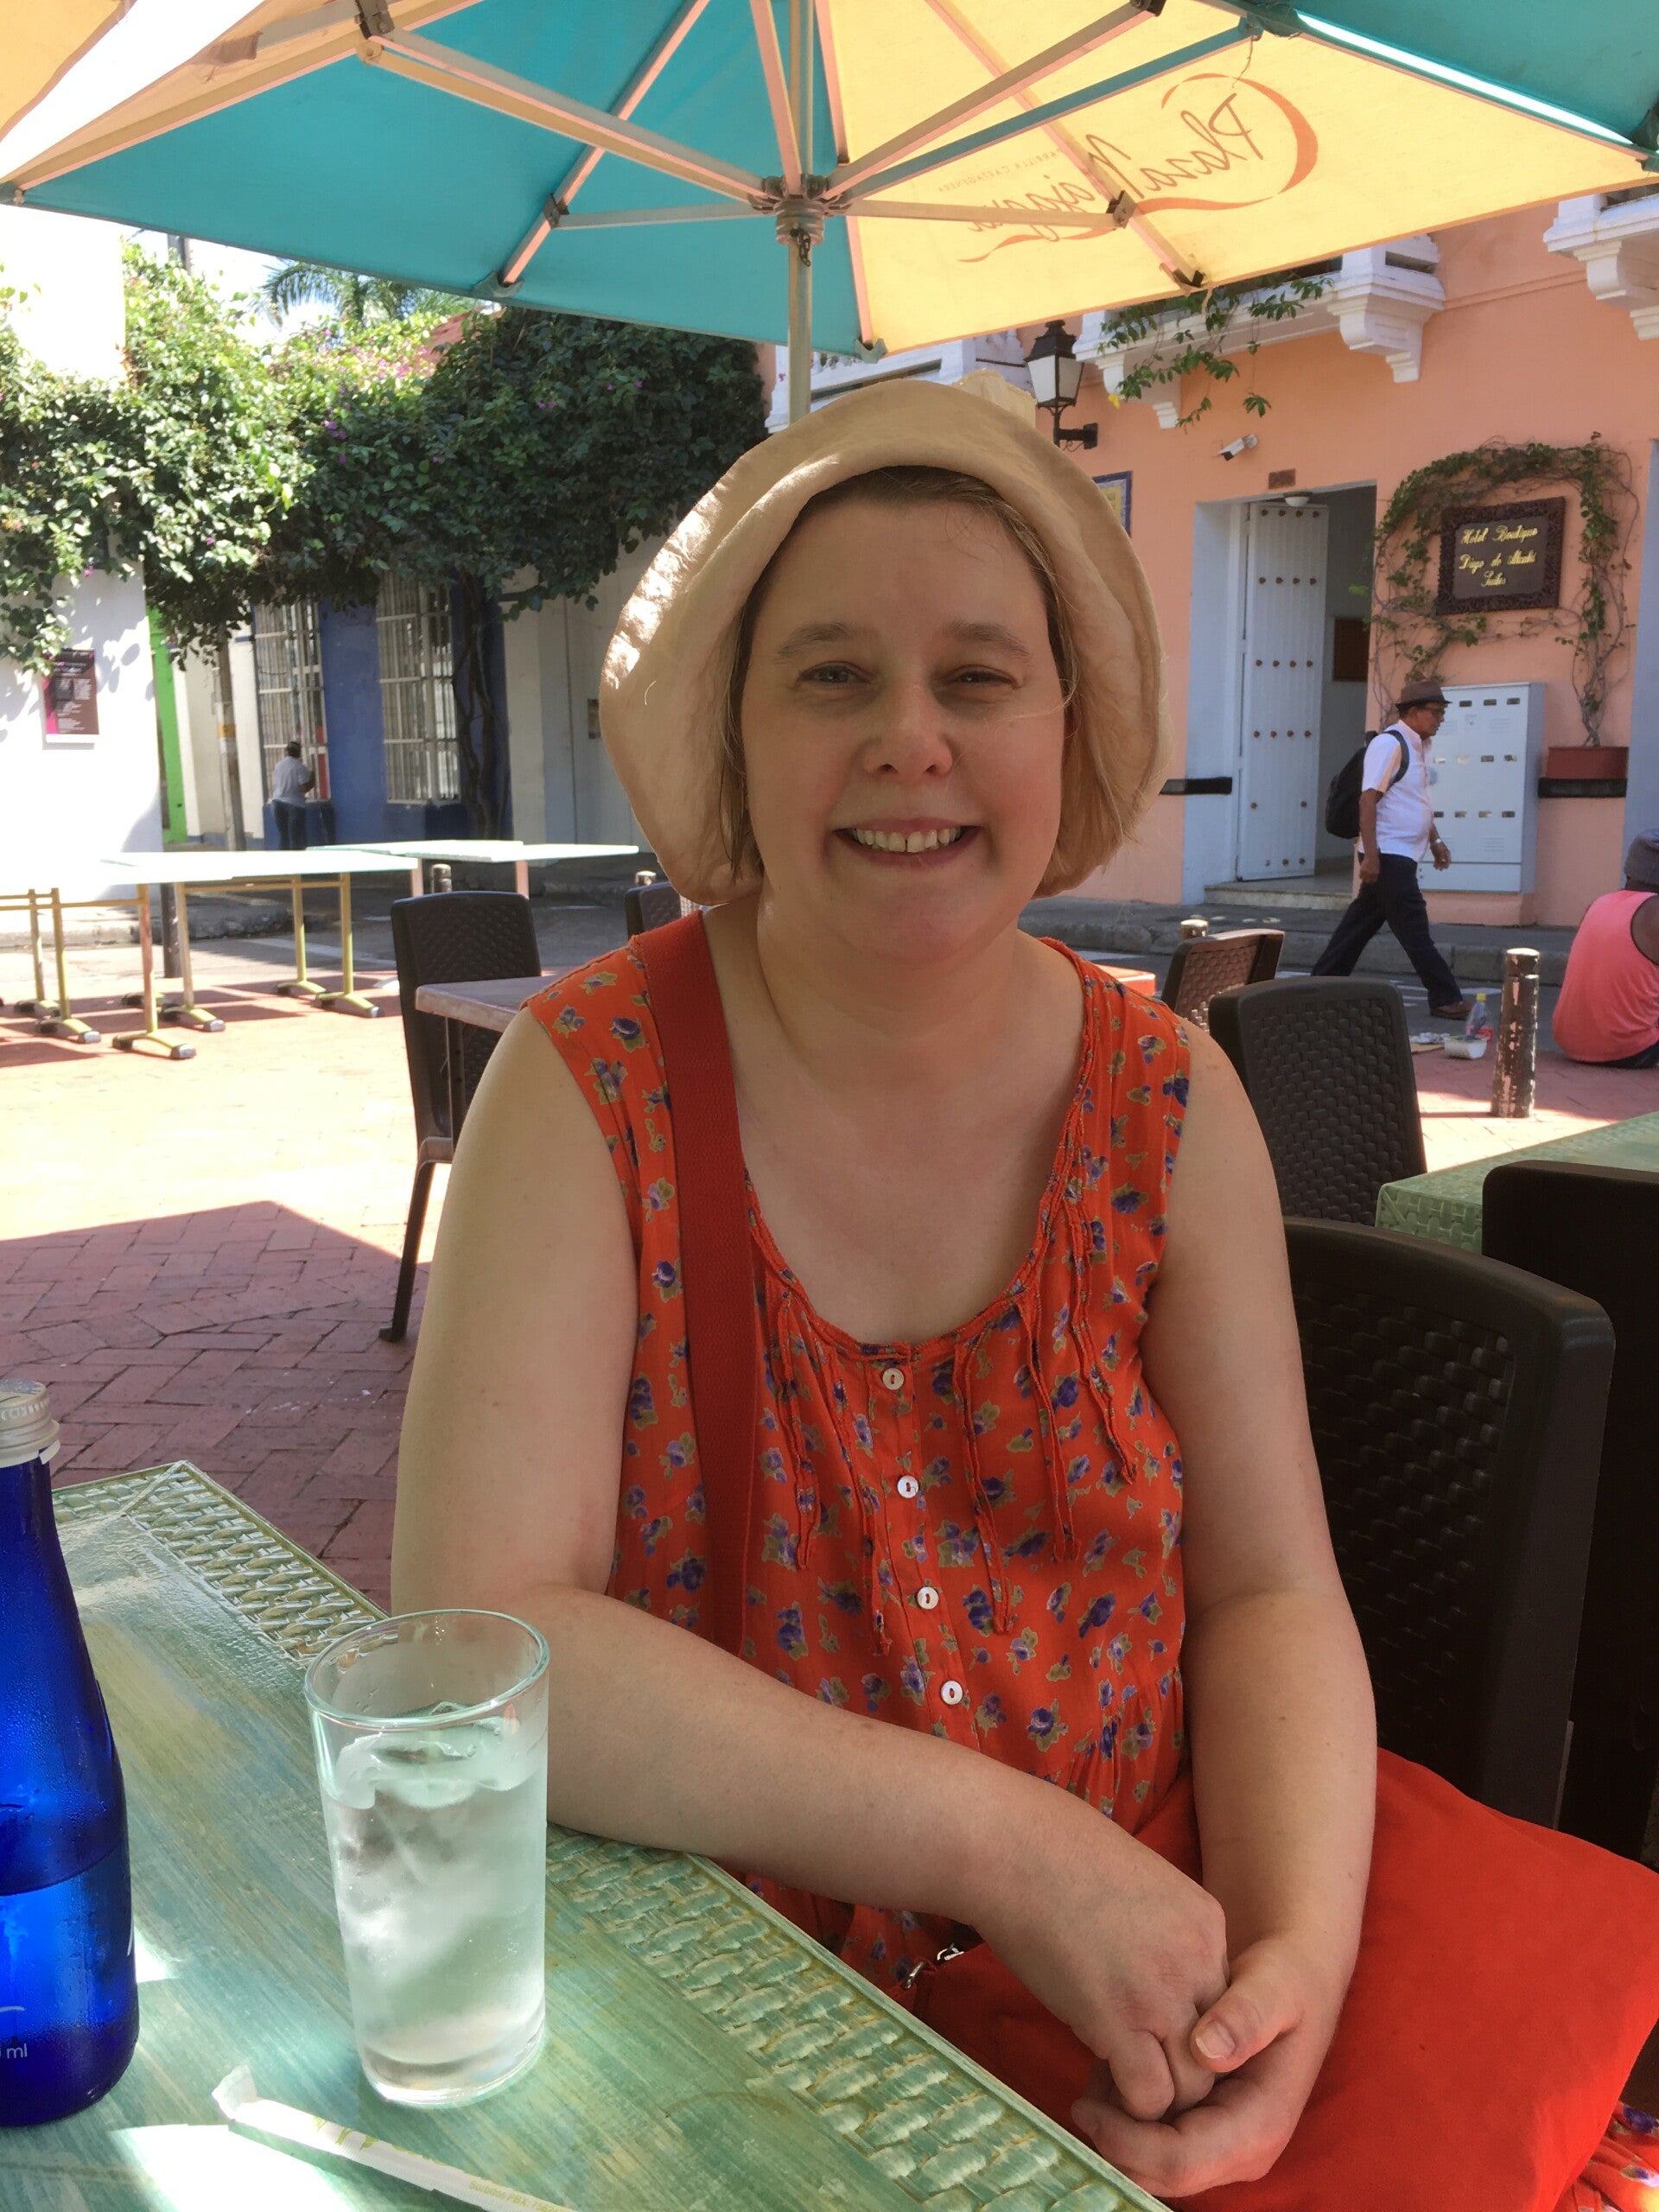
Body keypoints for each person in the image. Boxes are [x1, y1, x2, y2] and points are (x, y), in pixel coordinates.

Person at [391, 382, 1659, 2209]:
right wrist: (1007, 1848)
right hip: (717, 1997)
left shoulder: (1171, 1098)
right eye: (832, 676)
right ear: (738, 735)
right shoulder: (586, 1089)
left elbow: (1269, 1589)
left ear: (1070, 730)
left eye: (978, 677)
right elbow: (479, 1637)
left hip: (1168, 1928)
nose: (908, 737)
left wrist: (1290, 1979)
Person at [1312, 679, 1471, 1018]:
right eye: (1435, 712)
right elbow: (1368, 800)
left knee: (1358, 927)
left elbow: (1416, 800)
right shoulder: (1389, 744)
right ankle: (1445, 997)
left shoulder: (1419, 746)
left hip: (1399, 853)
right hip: (1388, 853)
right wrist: (1371, 856)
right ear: (1413, 712)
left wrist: (1435, 840)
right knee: (1414, 927)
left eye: (1442, 712)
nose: (1441, 718)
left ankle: (1317, 987)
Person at [1554, 833, 1659, 1070]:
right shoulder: (1654, 910)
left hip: (1570, 1042)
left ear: (1629, 871)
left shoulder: (1600, 903)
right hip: (1631, 1049)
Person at [270, 740, 314, 849]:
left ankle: (283, 859)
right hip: (295, 805)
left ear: (287, 751)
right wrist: (313, 779)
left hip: (277, 803)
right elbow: (304, 789)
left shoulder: (278, 765)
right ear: (299, 752)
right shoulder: (300, 767)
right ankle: (295, 859)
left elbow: (276, 783)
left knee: (284, 836)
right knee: (295, 838)